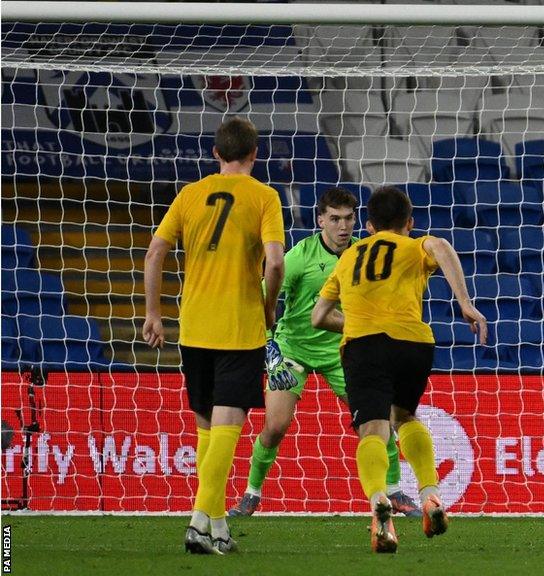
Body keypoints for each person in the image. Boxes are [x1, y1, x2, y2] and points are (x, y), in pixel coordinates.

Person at [311, 185, 487, 553]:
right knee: (405, 417)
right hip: (414, 344)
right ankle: (431, 494)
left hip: (364, 346)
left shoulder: (348, 257)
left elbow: (319, 317)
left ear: (370, 225)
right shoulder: (413, 245)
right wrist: (465, 304)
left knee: (372, 430)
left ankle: (379, 504)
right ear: (410, 222)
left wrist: (360, 323)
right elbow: (438, 245)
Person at [228, 188, 421, 518]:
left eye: (348, 219)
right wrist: (270, 349)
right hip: (293, 350)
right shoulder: (300, 256)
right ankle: (251, 493)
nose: (343, 227)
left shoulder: (364, 255)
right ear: (320, 220)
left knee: (378, 422)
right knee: (275, 425)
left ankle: (393, 491)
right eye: (334, 219)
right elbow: (260, 300)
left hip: (340, 352)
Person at [143, 117, 285, 554]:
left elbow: (154, 252)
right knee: (227, 430)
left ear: (215, 155)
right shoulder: (264, 196)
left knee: (207, 431)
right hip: (239, 329)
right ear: (255, 154)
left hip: (194, 326)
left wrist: (153, 314)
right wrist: (267, 305)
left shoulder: (189, 194)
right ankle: (197, 523)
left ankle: (218, 527)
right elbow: (276, 263)